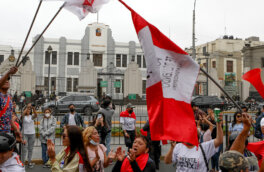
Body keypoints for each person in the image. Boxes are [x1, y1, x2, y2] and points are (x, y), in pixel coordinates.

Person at [0, 67, 22, 142]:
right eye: (4, 80)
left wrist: (17, 130)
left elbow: (8, 118)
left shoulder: (9, 97)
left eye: (8, 80)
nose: (6, 81)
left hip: (7, 135)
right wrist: (9, 73)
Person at [21, 103, 37, 168]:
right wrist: (27, 107)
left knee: (30, 149)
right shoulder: (23, 117)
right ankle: (23, 163)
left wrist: (33, 108)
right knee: (24, 149)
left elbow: (36, 115)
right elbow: (22, 114)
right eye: (27, 109)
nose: (28, 110)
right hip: (25, 134)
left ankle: (29, 162)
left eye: (29, 110)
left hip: (32, 134)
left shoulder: (32, 116)